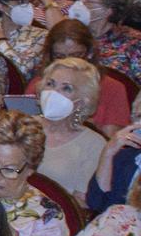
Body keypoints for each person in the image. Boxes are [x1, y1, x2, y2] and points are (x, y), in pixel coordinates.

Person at [35, 56, 108, 199]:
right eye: (50, 84)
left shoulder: (94, 145)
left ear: (82, 101)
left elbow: (80, 204)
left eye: (66, 88)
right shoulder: (20, 125)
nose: (54, 92)